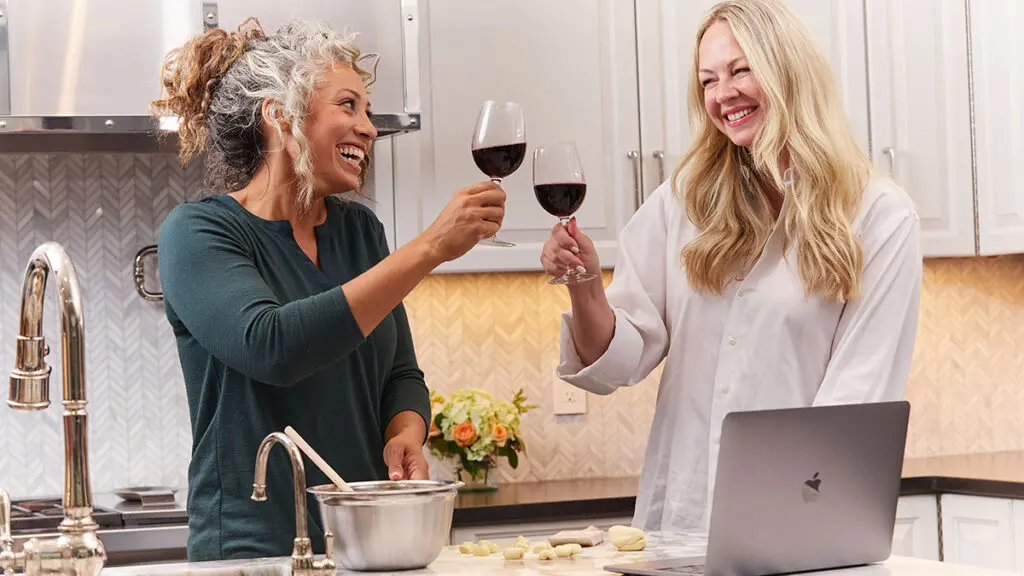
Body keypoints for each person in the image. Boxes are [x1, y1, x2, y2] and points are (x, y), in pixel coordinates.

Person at [542, 0, 922, 533]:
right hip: (680, 518)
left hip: (800, 519)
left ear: (789, 71)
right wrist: (584, 285)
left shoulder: (878, 215)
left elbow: (856, 397)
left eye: (741, 70)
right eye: (708, 80)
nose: (723, 95)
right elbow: (621, 362)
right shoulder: (682, 202)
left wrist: (787, 526)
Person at [151, 18, 505, 561]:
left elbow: (401, 373)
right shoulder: (198, 233)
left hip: (365, 541)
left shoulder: (360, 231)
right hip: (253, 550)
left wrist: (405, 430)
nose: (368, 128)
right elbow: (273, 347)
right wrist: (431, 246)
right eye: (348, 105)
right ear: (279, 114)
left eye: (367, 111)